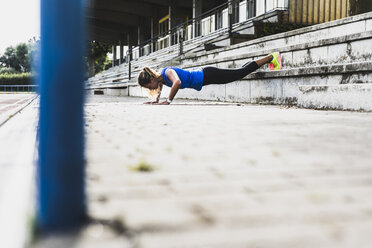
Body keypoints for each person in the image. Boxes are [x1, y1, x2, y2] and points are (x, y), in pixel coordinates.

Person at [137, 52, 281, 105]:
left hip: (207, 74)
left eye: (149, 86)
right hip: (206, 76)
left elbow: (177, 82)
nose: (152, 88)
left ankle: (271, 57)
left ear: (151, 79)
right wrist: (156, 99)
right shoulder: (161, 79)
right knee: (239, 72)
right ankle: (269, 59)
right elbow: (161, 85)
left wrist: (168, 101)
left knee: (239, 73)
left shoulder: (167, 72)